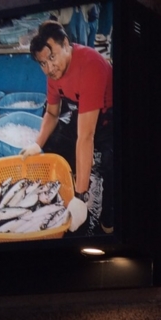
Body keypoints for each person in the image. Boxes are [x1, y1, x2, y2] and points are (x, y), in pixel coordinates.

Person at [22, 20, 113, 234]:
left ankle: (106, 219)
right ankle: (73, 180)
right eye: (42, 63)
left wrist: (80, 197)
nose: (49, 68)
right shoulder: (54, 72)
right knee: (52, 141)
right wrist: (37, 144)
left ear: (65, 44)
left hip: (110, 119)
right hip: (83, 112)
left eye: (52, 57)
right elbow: (52, 113)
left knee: (111, 167)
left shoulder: (90, 66)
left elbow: (86, 136)